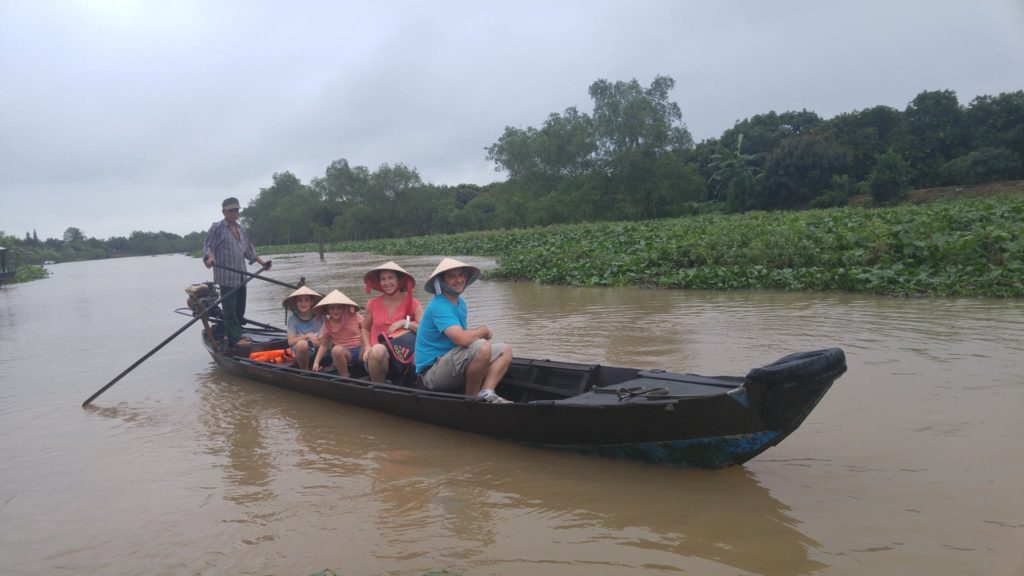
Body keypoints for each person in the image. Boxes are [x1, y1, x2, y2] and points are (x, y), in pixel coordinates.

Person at [415, 257, 513, 403]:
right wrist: (484, 330)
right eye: (452, 276)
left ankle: (487, 392)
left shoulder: (460, 303)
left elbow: (464, 341)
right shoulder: (439, 305)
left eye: (460, 275)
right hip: (431, 373)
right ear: (442, 281)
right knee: (482, 347)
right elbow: (462, 339)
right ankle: (471, 399)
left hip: (449, 362)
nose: (458, 279)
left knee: (505, 350)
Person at [202, 197, 271, 347]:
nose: (234, 213)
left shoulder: (241, 229)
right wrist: (210, 258)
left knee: (240, 309)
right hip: (227, 277)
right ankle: (235, 339)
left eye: (236, 210)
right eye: (230, 210)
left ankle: (230, 333)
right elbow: (208, 247)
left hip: (241, 277)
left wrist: (263, 263)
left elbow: (249, 252)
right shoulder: (217, 228)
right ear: (223, 212)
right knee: (230, 310)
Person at [360, 261, 425, 384]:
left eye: (390, 278)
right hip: (377, 359)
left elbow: (425, 330)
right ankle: (379, 389)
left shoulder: (413, 303)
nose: (386, 283)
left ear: (399, 280)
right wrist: (368, 347)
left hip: (404, 358)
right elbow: (365, 329)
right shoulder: (372, 304)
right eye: (383, 279)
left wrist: (405, 324)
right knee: (378, 349)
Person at [312, 290, 364, 377]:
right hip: (345, 353)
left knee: (374, 351)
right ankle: (345, 377)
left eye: (339, 307)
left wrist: (366, 346)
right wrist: (316, 362)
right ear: (327, 310)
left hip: (360, 350)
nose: (336, 311)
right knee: (336, 350)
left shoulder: (355, 316)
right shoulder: (327, 323)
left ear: (344, 307)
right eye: (332, 308)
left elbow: (367, 330)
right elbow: (324, 345)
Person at [283, 285, 324, 370]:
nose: (303, 304)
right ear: (296, 303)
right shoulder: (292, 319)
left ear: (312, 302)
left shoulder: (320, 316)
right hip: (302, 351)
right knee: (302, 344)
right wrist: (307, 336)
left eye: (306, 300)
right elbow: (291, 342)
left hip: (320, 348)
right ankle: (305, 370)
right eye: (300, 301)